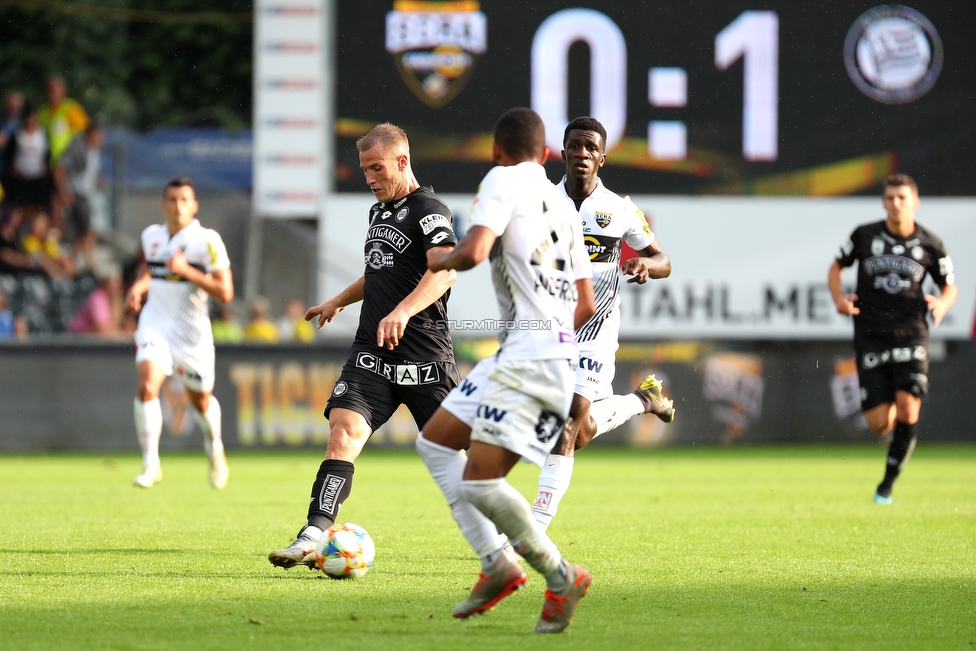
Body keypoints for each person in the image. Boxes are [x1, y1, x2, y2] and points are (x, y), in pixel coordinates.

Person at [416, 107, 596, 633]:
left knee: (478, 484)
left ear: (497, 150)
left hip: (530, 357)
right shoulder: (565, 209)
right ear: (547, 155)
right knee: (435, 441)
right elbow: (584, 305)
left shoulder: (501, 178)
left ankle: (561, 575)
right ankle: (495, 563)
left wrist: (441, 260)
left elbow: (472, 252)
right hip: (541, 352)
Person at [267, 123, 459, 568]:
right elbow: (379, 272)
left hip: (425, 359)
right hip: (372, 354)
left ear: (402, 161)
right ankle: (312, 534)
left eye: (377, 169)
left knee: (462, 457)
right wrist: (338, 299)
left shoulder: (430, 208)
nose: (370, 179)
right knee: (343, 434)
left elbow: (445, 270)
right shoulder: (379, 213)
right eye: (364, 170)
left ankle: (507, 540)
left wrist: (404, 311)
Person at [529, 116, 674, 530]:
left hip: (596, 332)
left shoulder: (620, 208)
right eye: (575, 145)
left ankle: (532, 530)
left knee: (570, 422)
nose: (582, 154)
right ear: (563, 150)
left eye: (590, 148)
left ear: (602, 158)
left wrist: (646, 263)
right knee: (583, 432)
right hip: (552, 330)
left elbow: (664, 261)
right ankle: (644, 401)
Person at [828, 173, 956, 504]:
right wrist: (839, 299)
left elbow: (949, 286)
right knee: (879, 423)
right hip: (870, 336)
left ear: (915, 202)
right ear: (883, 202)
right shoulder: (864, 235)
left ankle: (886, 485)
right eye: (890, 198)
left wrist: (942, 302)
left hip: (911, 333)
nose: (896, 204)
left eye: (902, 197)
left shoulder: (931, 243)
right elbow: (836, 267)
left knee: (909, 407)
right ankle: (898, 431)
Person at [125, 177, 234, 489]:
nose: (178, 206)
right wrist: (137, 286)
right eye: (172, 200)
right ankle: (150, 464)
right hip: (154, 325)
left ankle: (215, 447)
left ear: (194, 205)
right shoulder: (151, 236)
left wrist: (186, 271)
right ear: (163, 205)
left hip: (192, 335)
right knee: (147, 385)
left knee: (200, 403)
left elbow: (225, 292)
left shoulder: (207, 241)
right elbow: (152, 270)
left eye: (184, 199)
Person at [54, 123, 103, 271]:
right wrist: (64, 190)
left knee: (89, 230)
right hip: (77, 193)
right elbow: (59, 168)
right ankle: (77, 257)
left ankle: (87, 259)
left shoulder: (94, 152)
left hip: (88, 193)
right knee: (87, 230)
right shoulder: (76, 149)